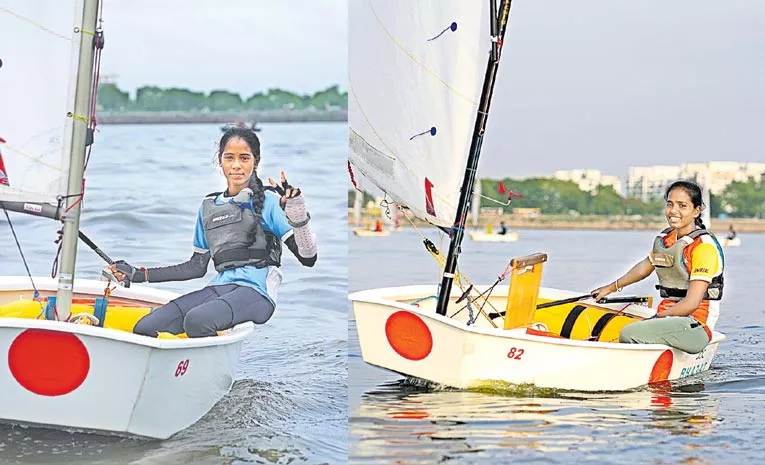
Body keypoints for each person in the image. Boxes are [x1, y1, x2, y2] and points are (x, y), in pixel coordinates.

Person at [109, 126, 317, 338]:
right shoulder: (209, 206)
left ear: (256, 161)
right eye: (229, 158)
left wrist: (297, 214)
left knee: (197, 320)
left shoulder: (269, 201)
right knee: (145, 327)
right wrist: (139, 274)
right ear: (220, 161)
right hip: (220, 288)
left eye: (244, 158)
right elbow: (196, 267)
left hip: (257, 293)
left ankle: (209, 369)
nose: (236, 165)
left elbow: (308, 257)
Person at [591, 180, 724, 354]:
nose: (673, 211)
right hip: (668, 317)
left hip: (695, 326)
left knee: (629, 333)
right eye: (670, 204)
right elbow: (644, 267)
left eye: (682, 206)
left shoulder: (703, 247)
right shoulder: (667, 239)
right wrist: (609, 288)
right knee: (618, 328)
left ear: (696, 211)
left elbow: (691, 303)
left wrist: (656, 317)